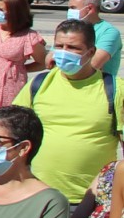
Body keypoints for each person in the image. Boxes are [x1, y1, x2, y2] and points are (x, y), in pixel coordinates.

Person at [13, 18, 124, 203]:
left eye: (73, 48)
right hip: (38, 195)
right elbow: (12, 131)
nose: (64, 53)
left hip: (93, 200)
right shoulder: (39, 84)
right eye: (59, 46)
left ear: (91, 52)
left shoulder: (115, 89)